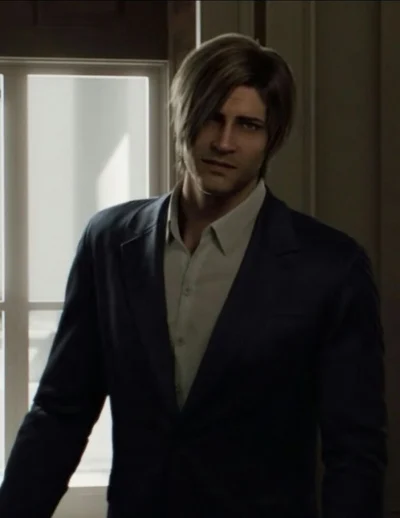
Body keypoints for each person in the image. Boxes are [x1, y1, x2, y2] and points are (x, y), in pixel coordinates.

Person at [0, 33, 388, 518]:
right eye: (210, 117)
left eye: (247, 125)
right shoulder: (109, 242)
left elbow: (355, 452)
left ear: (271, 138)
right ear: (183, 117)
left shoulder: (330, 266)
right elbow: (61, 411)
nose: (224, 142)